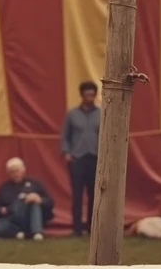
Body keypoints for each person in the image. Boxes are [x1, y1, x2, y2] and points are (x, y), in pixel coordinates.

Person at [61, 80, 100, 236]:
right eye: (87, 95)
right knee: (77, 195)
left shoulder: (101, 113)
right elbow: (65, 136)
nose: (89, 97)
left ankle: (92, 227)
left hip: (95, 158)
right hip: (77, 159)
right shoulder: (72, 115)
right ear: (82, 95)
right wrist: (66, 153)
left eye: (92, 94)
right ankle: (76, 228)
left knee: (94, 196)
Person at [0, 156, 54, 240]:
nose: (15, 174)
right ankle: (19, 233)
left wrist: (39, 200)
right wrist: (2, 210)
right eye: (11, 172)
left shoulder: (35, 184)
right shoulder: (4, 187)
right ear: (8, 173)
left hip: (31, 216)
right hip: (13, 218)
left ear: (23, 170)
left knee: (32, 199)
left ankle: (37, 232)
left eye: (17, 171)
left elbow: (50, 202)